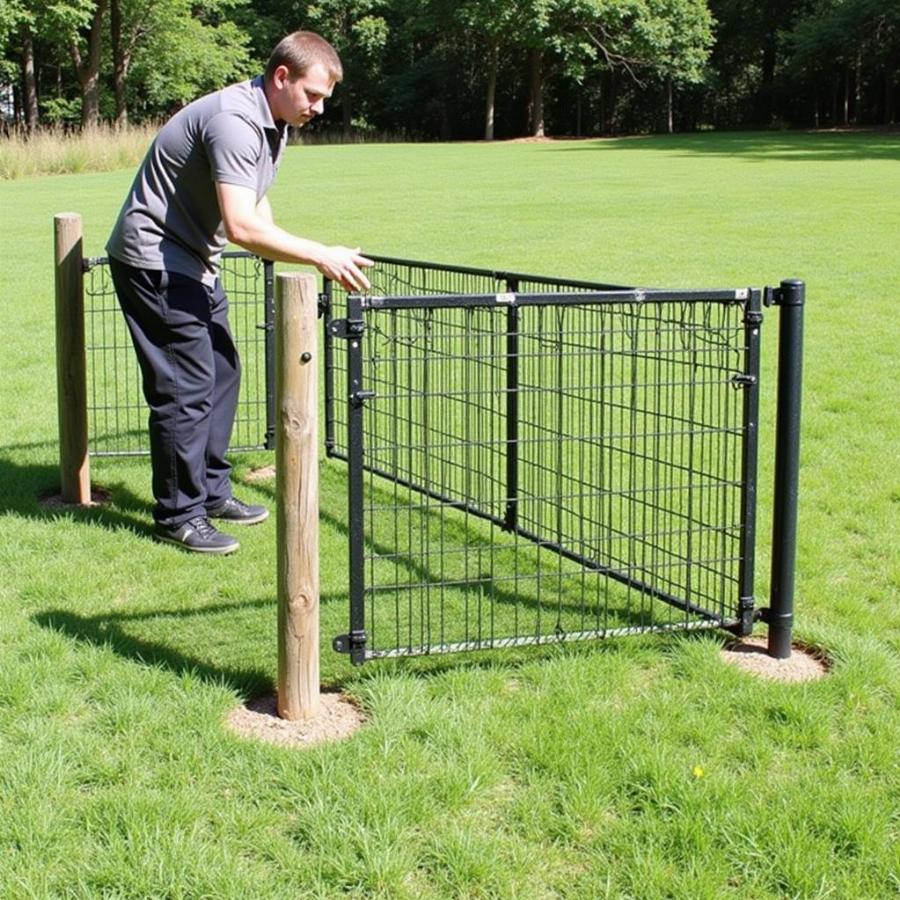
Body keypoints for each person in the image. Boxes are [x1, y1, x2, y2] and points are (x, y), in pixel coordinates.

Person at [106, 30, 372, 555]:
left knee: (223, 368)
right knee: (185, 387)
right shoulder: (234, 122)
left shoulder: (275, 121)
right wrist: (319, 253)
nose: (318, 108)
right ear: (281, 77)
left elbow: (257, 205)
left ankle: (209, 491)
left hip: (193, 259)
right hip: (155, 259)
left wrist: (284, 252)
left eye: (324, 99)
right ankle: (178, 514)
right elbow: (241, 226)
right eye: (313, 95)